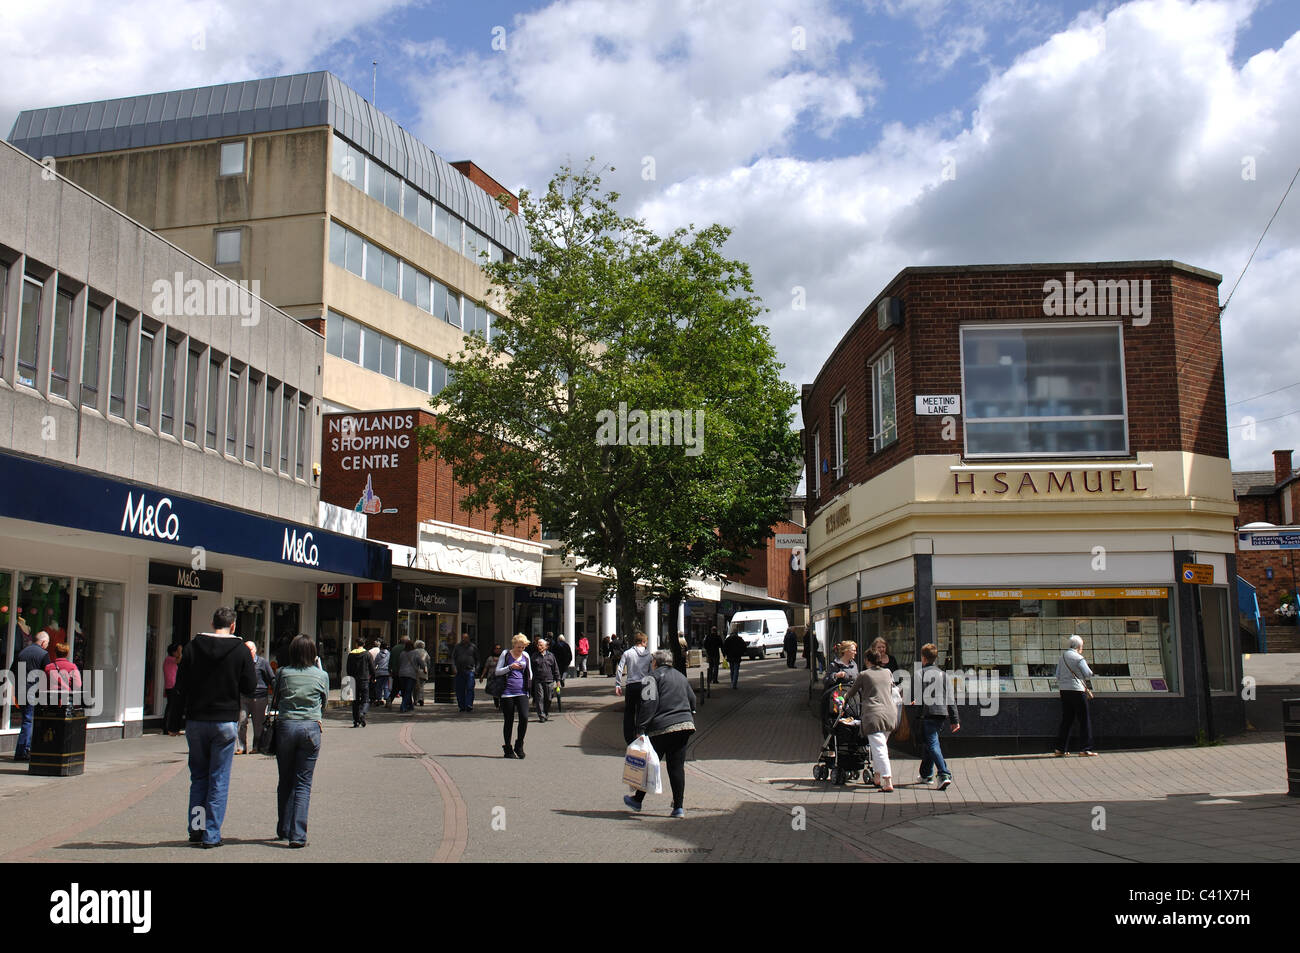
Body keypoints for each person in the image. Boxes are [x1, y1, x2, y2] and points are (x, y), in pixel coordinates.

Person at [176, 606, 257, 847]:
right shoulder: (240, 651)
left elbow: (181, 684)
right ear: (233, 626)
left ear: (212, 623)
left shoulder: (192, 648)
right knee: (218, 778)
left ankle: (196, 828)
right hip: (224, 721)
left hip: (196, 720)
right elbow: (250, 687)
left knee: (198, 776)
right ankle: (211, 834)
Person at [623, 650, 696, 818]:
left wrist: (640, 728)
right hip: (684, 726)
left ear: (655, 662)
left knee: (649, 763)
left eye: (652, 661)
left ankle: (637, 800)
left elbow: (648, 704)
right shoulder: (681, 676)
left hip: (661, 727)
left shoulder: (651, 678)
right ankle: (678, 807)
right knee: (676, 767)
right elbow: (692, 700)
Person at [274, 634, 329, 848]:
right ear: (313, 654)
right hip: (311, 727)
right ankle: (298, 835)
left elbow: (277, 698)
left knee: (285, 779)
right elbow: (323, 702)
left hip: (286, 726)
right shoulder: (321, 675)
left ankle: (284, 828)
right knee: (303, 783)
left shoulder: (282, 673)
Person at [842, 648, 898, 792]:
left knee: (879, 748)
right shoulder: (888, 672)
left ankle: (887, 780)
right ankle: (877, 777)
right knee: (879, 746)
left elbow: (852, 692)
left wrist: (845, 699)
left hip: (873, 715)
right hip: (890, 714)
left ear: (867, 660)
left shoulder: (864, 674)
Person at [915, 642, 960, 789]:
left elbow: (916, 697)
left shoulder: (919, 674)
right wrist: (955, 720)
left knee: (932, 744)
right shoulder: (944, 675)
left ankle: (943, 773)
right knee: (930, 743)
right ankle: (926, 774)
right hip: (941, 713)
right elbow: (950, 699)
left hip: (927, 714)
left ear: (923, 658)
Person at [10, 630, 50, 762]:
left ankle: (25, 749)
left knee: (26, 720)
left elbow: (11, 672)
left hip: (21, 691)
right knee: (28, 721)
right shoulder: (43, 654)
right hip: (32, 692)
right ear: (43, 642)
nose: (47, 646)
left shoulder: (22, 652)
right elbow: (47, 674)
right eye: (47, 643)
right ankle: (22, 751)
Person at [1056, 635, 1098, 757]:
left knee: (1067, 720)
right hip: (1077, 691)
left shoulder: (1062, 657)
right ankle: (1085, 749)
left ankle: (1060, 748)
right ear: (1079, 646)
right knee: (1084, 719)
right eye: (1082, 647)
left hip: (1064, 691)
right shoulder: (1079, 658)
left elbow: (1057, 675)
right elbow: (1088, 673)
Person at [496, 635, 532, 758]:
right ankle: (507, 748)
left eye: (522, 647)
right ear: (513, 645)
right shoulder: (506, 654)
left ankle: (519, 744)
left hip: (522, 691)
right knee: (509, 720)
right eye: (518, 647)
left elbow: (530, 674)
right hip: (507, 692)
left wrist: (529, 687)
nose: (520, 650)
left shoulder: (526, 656)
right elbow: (497, 671)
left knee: (524, 717)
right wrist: (510, 667)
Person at [237, 641, 275, 754]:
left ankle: (256, 747)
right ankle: (241, 747)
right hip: (244, 696)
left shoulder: (262, 662)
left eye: (250, 650)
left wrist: (275, 695)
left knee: (258, 724)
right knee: (241, 721)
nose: (248, 652)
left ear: (255, 650)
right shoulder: (240, 663)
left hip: (259, 697)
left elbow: (271, 678)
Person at [615, 632, 652, 743]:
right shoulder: (649, 655)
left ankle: (629, 738)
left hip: (631, 685)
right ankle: (641, 735)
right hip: (644, 685)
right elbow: (651, 671)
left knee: (629, 712)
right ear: (643, 641)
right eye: (646, 642)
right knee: (642, 712)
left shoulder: (627, 653)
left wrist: (618, 684)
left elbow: (620, 668)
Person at [530, 638, 560, 722]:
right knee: (540, 698)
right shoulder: (534, 656)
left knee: (548, 698)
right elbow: (530, 669)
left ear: (546, 646)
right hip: (538, 680)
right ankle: (541, 715)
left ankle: (546, 712)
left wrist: (558, 680)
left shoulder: (551, 656)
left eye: (541, 645)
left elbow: (555, 668)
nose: (539, 647)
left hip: (549, 680)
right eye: (538, 645)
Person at [346, 639, 374, 727]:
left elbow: (348, 668)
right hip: (364, 679)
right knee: (365, 699)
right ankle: (362, 713)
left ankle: (356, 720)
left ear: (356, 644)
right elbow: (371, 667)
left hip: (354, 680)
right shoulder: (367, 654)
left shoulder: (351, 654)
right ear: (364, 644)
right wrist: (373, 676)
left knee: (355, 701)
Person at [453, 632, 480, 712]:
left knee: (470, 688)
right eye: (463, 638)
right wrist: (454, 668)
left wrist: (477, 669)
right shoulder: (457, 647)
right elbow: (453, 658)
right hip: (459, 671)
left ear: (468, 638)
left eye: (466, 638)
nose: (465, 639)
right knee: (459, 689)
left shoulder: (473, 647)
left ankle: (469, 704)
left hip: (470, 671)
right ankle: (461, 706)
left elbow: (477, 659)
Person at [397, 638, 425, 713]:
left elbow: (399, 663)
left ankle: (410, 706)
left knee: (404, 691)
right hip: (411, 674)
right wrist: (423, 668)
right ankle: (403, 706)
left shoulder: (402, 653)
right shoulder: (415, 653)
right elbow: (421, 663)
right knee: (408, 691)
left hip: (402, 674)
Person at [163, 642, 184, 736]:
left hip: (171, 685)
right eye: (177, 651)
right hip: (171, 686)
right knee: (171, 708)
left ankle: (171, 728)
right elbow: (179, 659)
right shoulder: (169, 659)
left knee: (172, 707)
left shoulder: (169, 660)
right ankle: (168, 728)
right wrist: (180, 650)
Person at [480, 643, 503, 709]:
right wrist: (482, 676)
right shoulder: (490, 658)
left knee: (501, 691)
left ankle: (501, 704)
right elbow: (486, 667)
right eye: (496, 648)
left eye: (499, 648)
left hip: (500, 677)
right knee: (494, 691)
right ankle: (496, 704)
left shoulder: (503, 658)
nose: (498, 650)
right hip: (492, 677)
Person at [390, 637, 410, 709]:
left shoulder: (394, 648)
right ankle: (404, 704)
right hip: (405, 671)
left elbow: (391, 660)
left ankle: (389, 700)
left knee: (395, 688)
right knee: (405, 689)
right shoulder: (407, 649)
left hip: (395, 671)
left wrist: (390, 669)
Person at [411, 640, 431, 706]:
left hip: (415, 671)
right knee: (421, 686)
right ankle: (421, 699)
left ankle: (415, 700)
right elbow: (428, 662)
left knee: (414, 687)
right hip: (423, 671)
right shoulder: (425, 652)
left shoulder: (414, 652)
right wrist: (427, 669)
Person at [373, 641, 391, 707]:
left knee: (379, 686)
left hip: (379, 672)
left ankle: (378, 699)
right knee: (386, 686)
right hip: (386, 672)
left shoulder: (378, 654)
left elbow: (375, 663)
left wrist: (374, 670)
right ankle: (387, 699)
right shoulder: (389, 654)